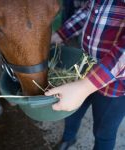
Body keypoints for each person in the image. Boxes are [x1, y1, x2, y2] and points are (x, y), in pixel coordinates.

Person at [45, 1, 125, 150]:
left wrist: (84, 87)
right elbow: (88, 10)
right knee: (71, 113)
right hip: (83, 69)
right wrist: (59, 35)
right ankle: (68, 139)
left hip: (116, 86)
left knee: (104, 132)